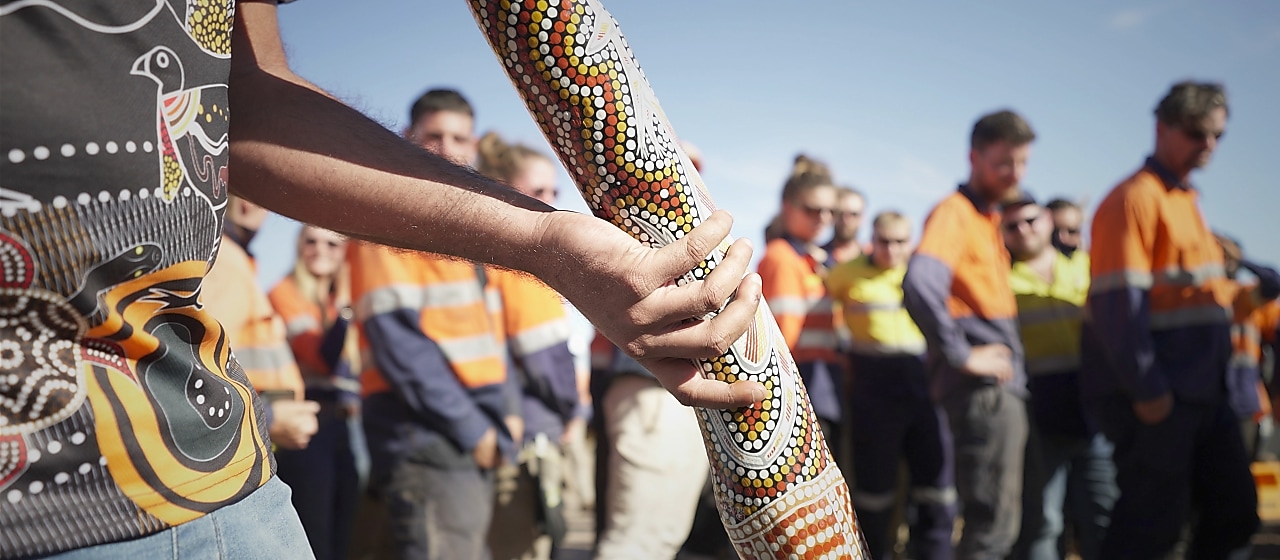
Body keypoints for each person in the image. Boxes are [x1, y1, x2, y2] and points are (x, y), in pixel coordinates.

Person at [0, 2, 762, 557]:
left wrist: (547, 245)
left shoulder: (468, 231)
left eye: (462, 139)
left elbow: (250, 94)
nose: (452, 149)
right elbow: (402, 346)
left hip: (211, 474)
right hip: (416, 446)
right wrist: (478, 429)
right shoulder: (383, 245)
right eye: (436, 139)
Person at [1082, 81, 1279, 558]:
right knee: (1149, 530)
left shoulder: (1187, 202)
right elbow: (1116, 309)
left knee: (1232, 512)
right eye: (1196, 133)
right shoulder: (1135, 199)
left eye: (1217, 136)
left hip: (1203, 397)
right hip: (1159, 399)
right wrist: (1149, 394)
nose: (1208, 145)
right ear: (1162, 128)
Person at [902, 109, 1034, 559]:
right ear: (973, 157)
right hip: (984, 391)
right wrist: (963, 356)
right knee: (991, 528)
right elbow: (920, 284)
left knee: (996, 525)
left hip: (992, 391)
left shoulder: (989, 220)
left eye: (1022, 163)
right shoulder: (956, 214)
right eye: (1003, 163)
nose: (1014, 173)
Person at [827, 211, 956, 560]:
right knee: (875, 494)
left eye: (900, 242)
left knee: (936, 491)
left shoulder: (921, 275)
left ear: (910, 241)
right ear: (873, 237)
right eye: (884, 241)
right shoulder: (845, 273)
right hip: (874, 392)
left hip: (923, 388)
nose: (891, 249)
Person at [475, 131, 580, 560]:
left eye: (554, 190)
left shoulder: (479, 256)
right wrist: (575, 408)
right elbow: (547, 361)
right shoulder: (522, 266)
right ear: (505, 189)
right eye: (538, 190)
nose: (550, 200)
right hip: (532, 435)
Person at [1001, 194, 1116, 560]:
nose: (1023, 230)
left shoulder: (1086, 266)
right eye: (1012, 225)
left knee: (1103, 514)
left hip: (1095, 409)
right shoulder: (1002, 282)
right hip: (1041, 414)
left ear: (1048, 221)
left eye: (1031, 220)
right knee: (1044, 521)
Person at [268, 225, 365, 560]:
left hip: (349, 430)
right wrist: (349, 308)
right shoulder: (285, 293)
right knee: (315, 541)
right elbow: (322, 358)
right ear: (298, 246)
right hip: (309, 431)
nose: (320, 250)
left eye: (332, 244)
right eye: (310, 241)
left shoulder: (339, 303)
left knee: (347, 540)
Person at [205, 195, 320, 454]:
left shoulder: (232, 260)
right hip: (237, 437)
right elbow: (196, 368)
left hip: (245, 432)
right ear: (248, 204)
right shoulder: (227, 263)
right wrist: (268, 417)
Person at [756, 154, 845, 460]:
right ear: (787, 208)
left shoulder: (815, 259)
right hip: (799, 389)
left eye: (830, 211)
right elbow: (784, 336)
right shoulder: (782, 258)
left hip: (821, 384)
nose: (822, 218)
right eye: (812, 210)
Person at [826, 186, 867, 265]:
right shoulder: (817, 259)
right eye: (840, 213)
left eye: (853, 214)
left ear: (863, 218)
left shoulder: (872, 260)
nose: (846, 220)